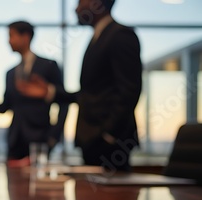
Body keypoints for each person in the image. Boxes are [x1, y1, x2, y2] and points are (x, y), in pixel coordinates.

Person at [19, 0, 142, 172]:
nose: (76, 8)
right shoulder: (99, 37)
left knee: (112, 197)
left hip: (108, 144)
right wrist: (50, 92)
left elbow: (129, 91)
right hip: (93, 139)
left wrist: (108, 135)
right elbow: (90, 94)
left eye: (80, 2)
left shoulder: (121, 35)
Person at [0, 21, 68, 167]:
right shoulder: (10, 73)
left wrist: (52, 138)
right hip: (15, 142)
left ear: (26, 37)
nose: (9, 41)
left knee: (37, 185)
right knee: (14, 186)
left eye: (11, 35)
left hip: (40, 141)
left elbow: (63, 102)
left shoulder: (48, 66)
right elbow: (4, 107)